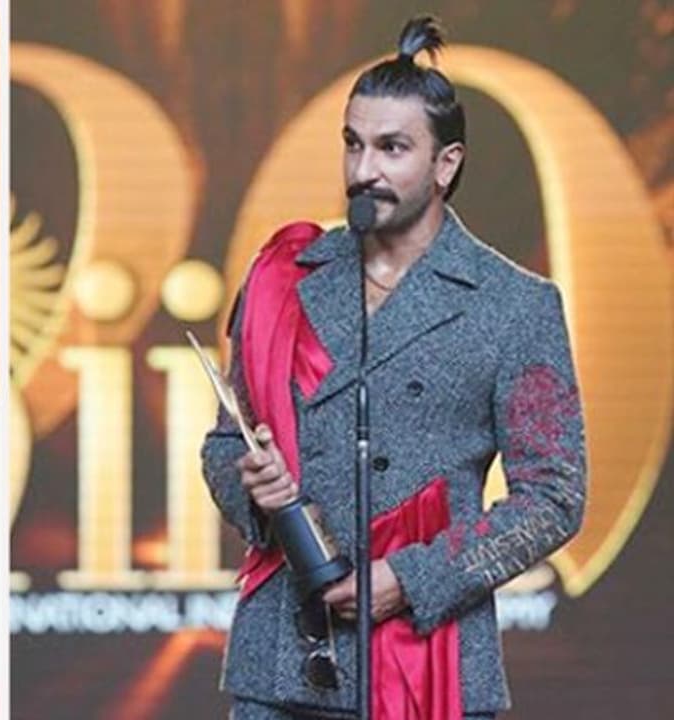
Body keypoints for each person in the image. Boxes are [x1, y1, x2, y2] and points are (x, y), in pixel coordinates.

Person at [201, 16, 586, 720]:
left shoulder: (515, 304)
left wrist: (410, 579)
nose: (363, 171)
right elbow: (227, 443)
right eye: (352, 143)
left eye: (391, 148)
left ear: (447, 164)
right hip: (284, 664)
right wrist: (252, 488)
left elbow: (554, 496)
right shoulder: (284, 279)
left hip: (432, 659)